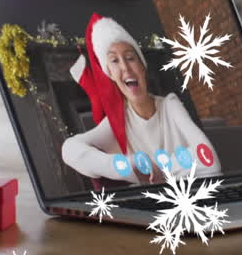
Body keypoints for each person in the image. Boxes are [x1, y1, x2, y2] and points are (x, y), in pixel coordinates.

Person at [61, 13, 223, 185]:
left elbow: (210, 161)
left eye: (130, 58)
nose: (125, 67)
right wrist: (127, 165)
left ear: (142, 67)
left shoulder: (170, 105)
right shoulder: (117, 122)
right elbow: (69, 150)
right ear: (111, 76)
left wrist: (159, 171)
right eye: (114, 61)